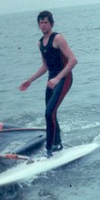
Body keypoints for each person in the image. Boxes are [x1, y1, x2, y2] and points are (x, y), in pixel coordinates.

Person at [19, 10, 77, 158]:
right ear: (38, 25)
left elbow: (73, 61)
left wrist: (57, 78)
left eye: (46, 22)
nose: (43, 25)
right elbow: (45, 65)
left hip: (64, 79)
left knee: (48, 112)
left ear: (51, 23)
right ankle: (57, 143)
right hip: (51, 80)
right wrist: (30, 80)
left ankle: (49, 149)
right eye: (41, 23)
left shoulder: (58, 38)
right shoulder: (40, 43)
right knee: (51, 113)